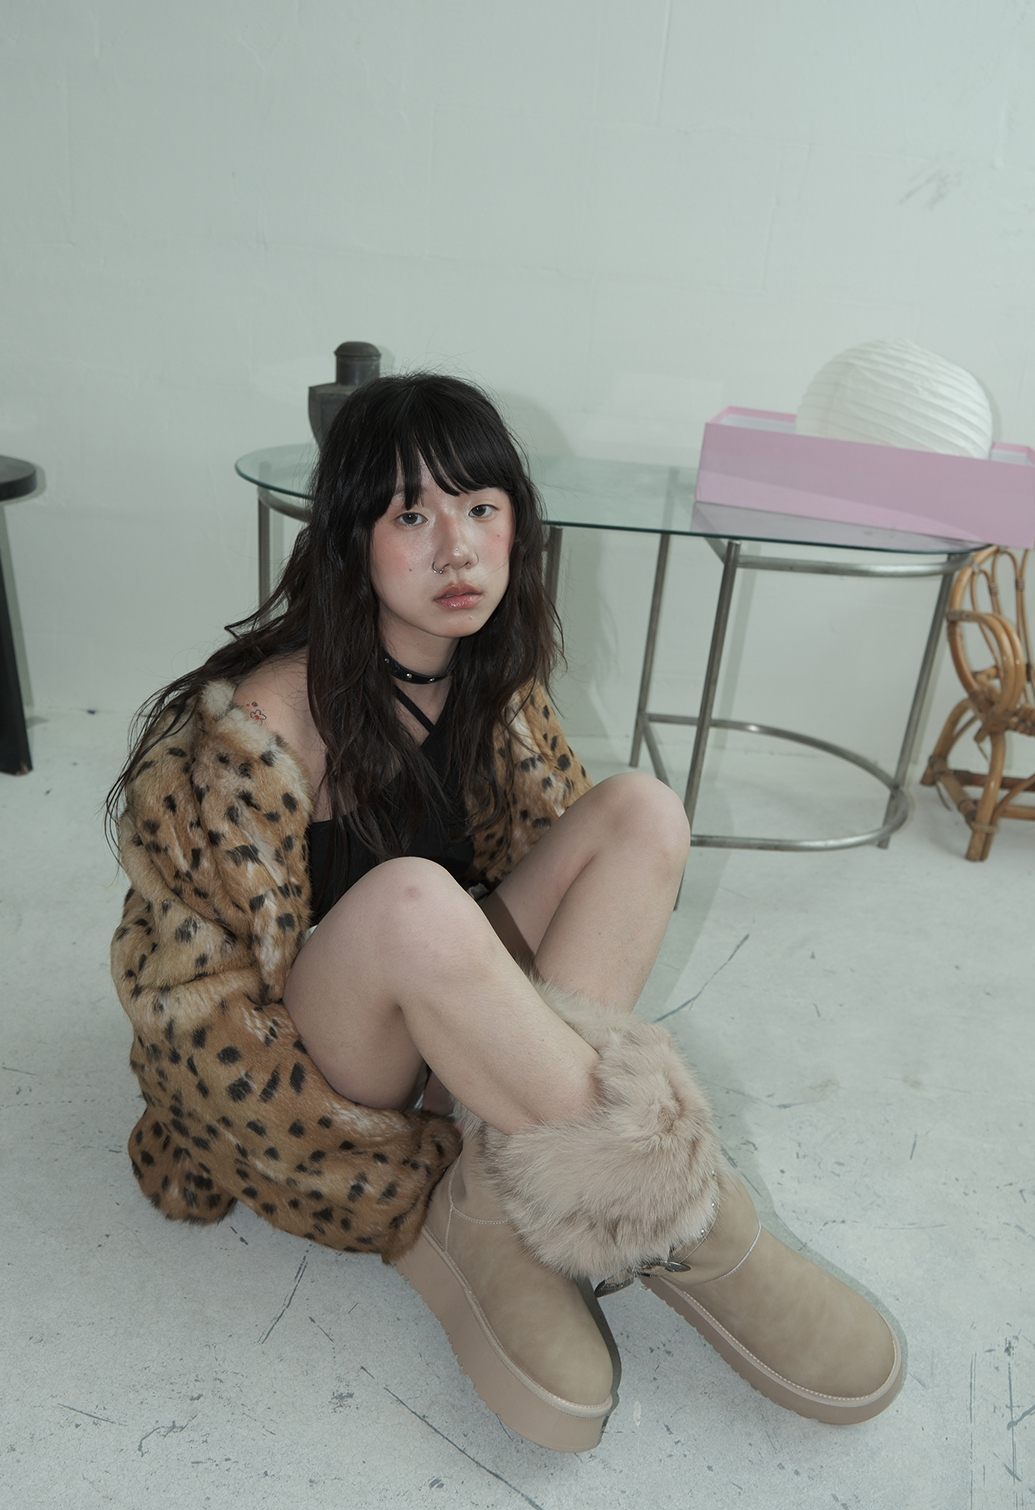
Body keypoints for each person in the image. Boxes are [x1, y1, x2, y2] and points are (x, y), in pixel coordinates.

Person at [109, 374, 902, 1452]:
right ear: (349, 541)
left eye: (480, 508)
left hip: (448, 1025)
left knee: (641, 811)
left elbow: (551, 886)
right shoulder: (255, 728)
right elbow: (191, 1020)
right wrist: (379, 1176)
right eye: (410, 517)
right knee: (413, 900)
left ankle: (499, 1180)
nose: (457, 550)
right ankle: (689, 1219)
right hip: (325, 1065)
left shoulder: (490, 684)